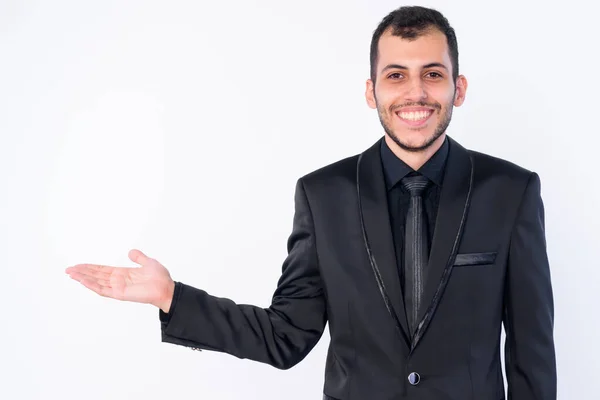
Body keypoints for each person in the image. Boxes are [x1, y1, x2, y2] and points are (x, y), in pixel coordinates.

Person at [65, 5, 557, 400]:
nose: (415, 93)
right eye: (395, 76)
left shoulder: (511, 192)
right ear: (371, 91)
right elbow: (286, 336)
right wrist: (173, 298)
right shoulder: (323, 196)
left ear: (458, 87)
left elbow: (531, 358)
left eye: (432, 74)